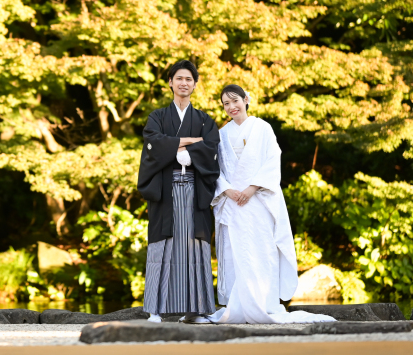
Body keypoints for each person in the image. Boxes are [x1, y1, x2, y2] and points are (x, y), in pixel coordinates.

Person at [206, 85, 336, 324]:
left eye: (235, 101)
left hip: (258, 200)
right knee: (236, 252)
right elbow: (217, 169)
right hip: (233, 201)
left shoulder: (262, 128)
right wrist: (228, 190)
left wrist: (251, 188)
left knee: (261, 249)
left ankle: (264, 302)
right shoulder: (222, 134)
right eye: (225, 103)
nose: (231, 107)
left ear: (246, 99)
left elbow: (271, 161)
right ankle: (239, 305)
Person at [137, 60, 221, 324]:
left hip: (195, 191)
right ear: (170, 82)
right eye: (179, 78)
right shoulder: (158, 117)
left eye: (189, 79)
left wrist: (177, 148)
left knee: (195, 247)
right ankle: (155, 309)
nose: (184, 83)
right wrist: (190, 142)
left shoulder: (205, 119)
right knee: (163, 247)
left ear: (195, 84)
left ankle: (195, 310)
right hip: (166, 190)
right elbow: (153, 143)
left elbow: (211, 148)